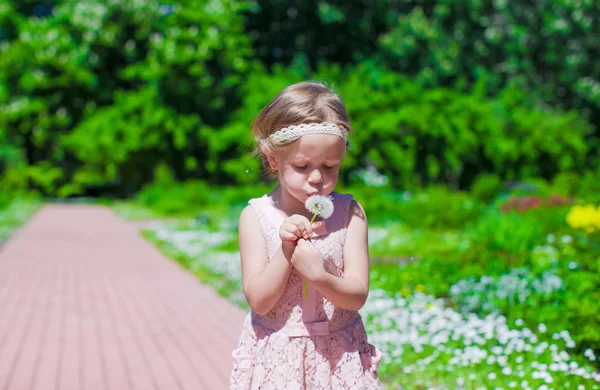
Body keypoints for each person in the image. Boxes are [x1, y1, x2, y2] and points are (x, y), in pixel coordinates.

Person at [229, 81, 383, 389]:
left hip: (339, 358)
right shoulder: (256, 218)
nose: (317, 178)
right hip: (278, 358)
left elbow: (357, 295)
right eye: (302, 166)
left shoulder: (351, 214)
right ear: (273, 159)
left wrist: (321, 276)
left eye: (330, 166)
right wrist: (286, 252)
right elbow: (259, 300)